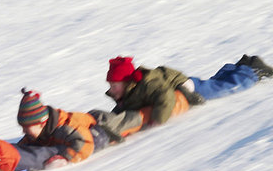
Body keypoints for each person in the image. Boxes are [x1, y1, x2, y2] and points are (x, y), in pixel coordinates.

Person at [105, 55, 273, 127]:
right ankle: (238, 67)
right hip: (172, 86)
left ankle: (253, 71)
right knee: (213, 83)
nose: (111, 89)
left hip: (182, 86)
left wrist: (157, 119)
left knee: (222, 89)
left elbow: (166, 98)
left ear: (128, 83)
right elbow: (121, 110)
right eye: (111, 85)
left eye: (114, 85)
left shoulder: (148, 84)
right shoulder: (125, 92)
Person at [15, 89, 115, 165]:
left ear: (42, 123)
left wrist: (65, 158)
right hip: (81, 128)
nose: (23, 131)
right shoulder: (36, 132)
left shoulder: (63, 128)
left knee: (98, 138)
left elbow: (85, 142)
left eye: (26, 127)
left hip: (97, 126)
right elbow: (23, 147)